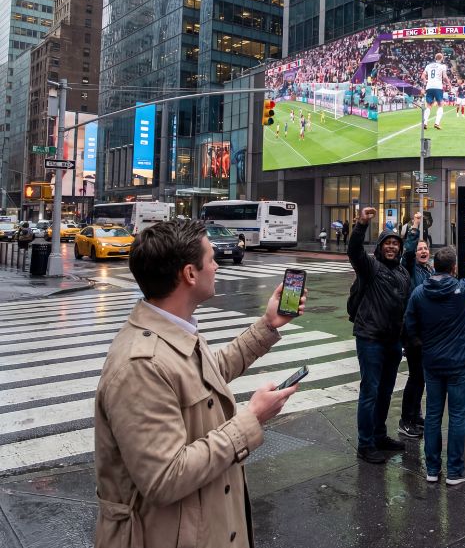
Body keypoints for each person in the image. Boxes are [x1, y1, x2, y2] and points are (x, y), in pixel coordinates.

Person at [93, 220, 305, 548]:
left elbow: (209, 374)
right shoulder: (140, 365)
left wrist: (268, 326)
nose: (217, 265)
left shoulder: (173, 329)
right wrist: (252, 419)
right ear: (190, 274)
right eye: (210, 259)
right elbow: (164, 478)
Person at [404, 240, 465, 485]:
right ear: (454, 268)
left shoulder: (420, 292)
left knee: (433, 415)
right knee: (457, 416)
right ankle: (454, 469)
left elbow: (409, 327)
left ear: (435, 266)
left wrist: (424, 344)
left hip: (433, 362)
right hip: (459, 363)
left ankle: (432, 469)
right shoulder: (463, 289)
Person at [348, 207, 411, 464]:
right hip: (371, 338)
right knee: (370, 391)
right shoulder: (370, 268)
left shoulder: (403, 273)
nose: (392, 247)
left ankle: (379, 434)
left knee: (386, 391)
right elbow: (354, 251)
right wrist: (362, 224)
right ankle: (365, 444)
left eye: (396, 243)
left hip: (393, 342)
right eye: (387, 243)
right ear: (380, 247)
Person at [398, 212, 433, 438]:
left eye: (425, 248)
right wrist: (415, 227)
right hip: (412, 332)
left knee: (420, 376)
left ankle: (415, 414)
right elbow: (408, 252)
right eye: (420, 248)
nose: (423, 251)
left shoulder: (428, 269)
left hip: (425, 332)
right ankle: (405, 420)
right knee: (415, 376)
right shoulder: (410, 268)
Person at [421, 52, 450, 131]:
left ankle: (425, 123)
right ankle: (437, 123)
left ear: (435, 58)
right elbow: (444, 77)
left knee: (429, 106)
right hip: (438, 87)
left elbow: (422, 77)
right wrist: (449, 84)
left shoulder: (428, 66)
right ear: (442, 58)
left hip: (429, 87)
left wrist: (425, 81)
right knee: (440, 104)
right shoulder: (442, 66)